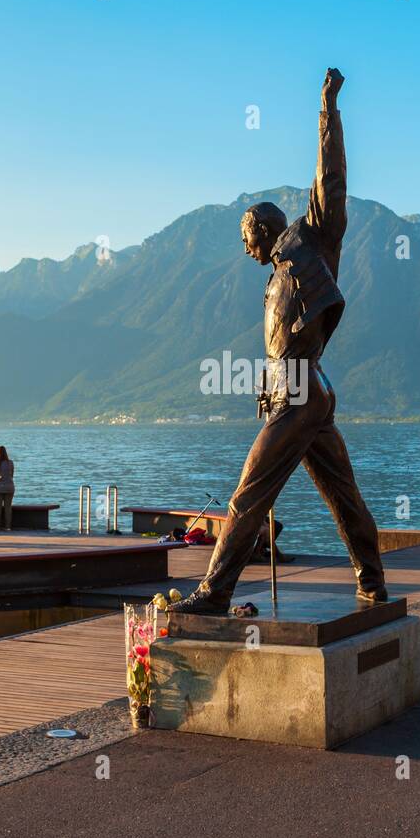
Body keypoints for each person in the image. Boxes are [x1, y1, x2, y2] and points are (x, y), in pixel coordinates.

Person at [170, 68, 386, 615]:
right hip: (298, 390)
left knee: (249, 493)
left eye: (246, 241)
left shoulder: (312, 240)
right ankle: (372, 581)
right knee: (342, 494)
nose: (245, 252)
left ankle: (215, 594)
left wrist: (327, 110)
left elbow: (329, 179)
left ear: (262, 231)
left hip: (301, 389)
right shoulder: (279, 274)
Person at [0, 446, 15, 531]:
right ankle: (8, 527)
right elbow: (12, 475)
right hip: (9, 487)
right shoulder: (10, 463)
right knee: (8, 508)